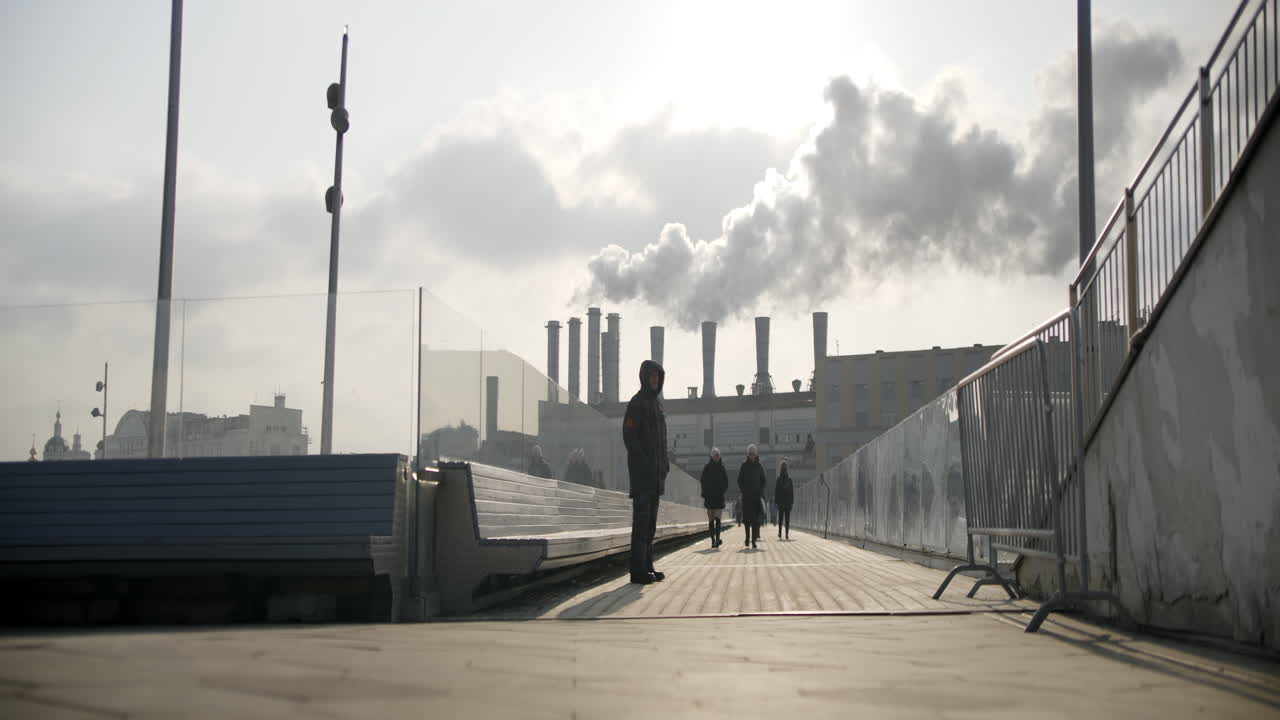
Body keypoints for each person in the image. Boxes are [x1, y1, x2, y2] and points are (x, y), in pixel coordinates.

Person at [623, 359, 668, 584]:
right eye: (651, 376)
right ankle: (638, 571)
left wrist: (664, 466)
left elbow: (663, 441)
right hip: (642, 477)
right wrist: (644, 464)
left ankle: (648, 566)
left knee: (650, 525)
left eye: (657, 377)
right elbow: (629, 437)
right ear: (644, 378)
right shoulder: (636, 404)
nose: (655, 380)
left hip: (656, 477)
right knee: (641, 524)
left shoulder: (657, 406)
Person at [737, 444, 766, 548]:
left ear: (756, 454)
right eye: (750, 454)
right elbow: (739, 480)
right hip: (747, 497)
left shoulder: (759, 466)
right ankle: (747, 537)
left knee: (755, 520)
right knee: (746, 519)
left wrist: (760, 490)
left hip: (756, 497)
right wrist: (743, 490)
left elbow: (763, 480)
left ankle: (753, 540)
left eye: (753, 454)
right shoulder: (744, 465)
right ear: (748, 454)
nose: (752, 456)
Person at [699, 447, 729, 548]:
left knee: (716, 519)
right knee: (713, 519)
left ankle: (715, 540)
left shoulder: (707, 468)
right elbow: (726, 482)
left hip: (714, 497)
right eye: (715, 455)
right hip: (715, 497)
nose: (717, 457)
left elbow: (702, 480)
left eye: (718, 455)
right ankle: (714, 540)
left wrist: (707, 492)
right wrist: (721, 490)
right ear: (712, 456)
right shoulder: (721, 467)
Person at [775, 458, 795, 540]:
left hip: (781, 502)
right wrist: (792, 502)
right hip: (788, 502)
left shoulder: (779, 479)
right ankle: (786, 534)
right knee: (787, 519)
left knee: (780, 518)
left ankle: (780, 533)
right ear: (787, 469)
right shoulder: (789, 480)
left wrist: (776, 501)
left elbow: (776, 491)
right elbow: (792, 492)